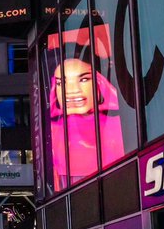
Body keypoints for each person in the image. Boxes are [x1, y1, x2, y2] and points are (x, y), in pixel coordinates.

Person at [48, 44, 125, 191]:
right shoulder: (51, 132)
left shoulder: (119, 126)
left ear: (100, 81)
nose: (71, 91)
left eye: (83, 80)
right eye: (61, 82)